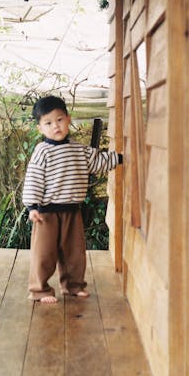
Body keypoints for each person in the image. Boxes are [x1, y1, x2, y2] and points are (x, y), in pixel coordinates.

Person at [22, 95, 122, 304]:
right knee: (44, 253)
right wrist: (32, 206)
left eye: (59, 120)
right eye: (48, 123)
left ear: (68, 119)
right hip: (46, 212)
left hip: (72, 211)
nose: (55, 126)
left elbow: (99, 162)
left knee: (74, 252)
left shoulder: (79, 150)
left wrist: (120, 158)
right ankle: (40, 290)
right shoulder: (43, 151)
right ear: (40, 128)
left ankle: (73, 285)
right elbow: (34, 178)